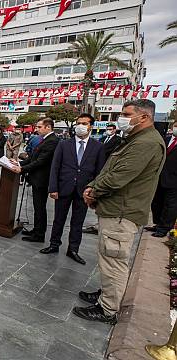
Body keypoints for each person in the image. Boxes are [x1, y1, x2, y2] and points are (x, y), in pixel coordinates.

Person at [74, 99, 165, 324]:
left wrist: (94, 191)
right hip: (116, 209)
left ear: (143, 117)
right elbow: (110, 169)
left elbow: (119, 177)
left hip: (123, 212)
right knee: (108, 257)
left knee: (114, 261)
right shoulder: (135, 139)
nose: (120, 118)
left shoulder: (147, 143)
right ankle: (107, 295)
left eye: (126, 113)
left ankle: (107, 309)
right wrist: (93, 186)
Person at [43, 114, 105, 264]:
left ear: (91, 126)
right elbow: (55, 167)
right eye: (78, 123)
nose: (80, 126)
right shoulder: (64, 144)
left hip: (84, 191)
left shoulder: (98, 147)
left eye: (84, 123)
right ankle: (54, 244)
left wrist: (94, 191)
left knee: (78, 221)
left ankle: (73, 249)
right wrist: (53, 188)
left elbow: (100, 171)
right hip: (64, 188)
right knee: (58, 219)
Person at [11, 118, 59, 243]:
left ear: (48, 127)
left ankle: (39, 234)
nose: (36, 129)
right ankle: (37, 229)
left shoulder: (52, 141)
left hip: (41, 179)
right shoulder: (44, 140)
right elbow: (33, 157)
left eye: (39, 127)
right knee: (37, 207)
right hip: (36, 178)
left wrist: (21, 169)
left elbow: (41, 161)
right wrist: (19, 163)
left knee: (40, 207)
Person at [147, 121, 177, 237]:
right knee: (157, 202)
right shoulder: (165, 139)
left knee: (170, 205)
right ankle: (158, 223)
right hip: (159, 177)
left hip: (174, 180)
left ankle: (164, 228)